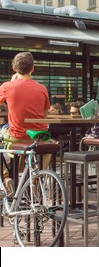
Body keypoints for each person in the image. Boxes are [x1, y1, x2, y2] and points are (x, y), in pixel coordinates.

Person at [0, 52, 51, 196]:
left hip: (17, 136)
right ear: (32, 69)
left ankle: (6, 177)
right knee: (47, 145)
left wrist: (11, 82)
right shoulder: (42, 88)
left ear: (14, 68)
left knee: (3, 134)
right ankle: (35, 178)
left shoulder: (7, 87)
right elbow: (44, 116)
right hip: (40, 137)